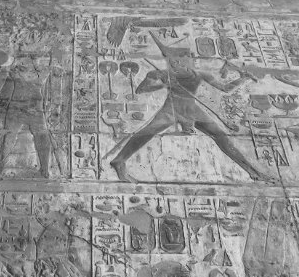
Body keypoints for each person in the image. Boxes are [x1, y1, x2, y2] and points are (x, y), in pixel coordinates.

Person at [106, 43, 270, 182]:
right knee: (147, 133)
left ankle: (252, 171)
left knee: (221, 136)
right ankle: (119, 161)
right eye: (174, 60)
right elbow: (141, 90)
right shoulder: (159, 74)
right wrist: (164, 84)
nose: (178, 62)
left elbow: (225, 88)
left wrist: (243, 78)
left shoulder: (200, 75)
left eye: (184, 59)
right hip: (172, 108)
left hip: (192, 109)